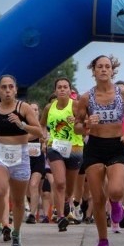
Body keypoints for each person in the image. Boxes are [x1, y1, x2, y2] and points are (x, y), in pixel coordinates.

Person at [74, 55, 124, 246]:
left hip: (117, 146)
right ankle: (103, 240)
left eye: (107, 66)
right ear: (93, 71)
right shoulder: (86, 98)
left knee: (116, 190)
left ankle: (116, 203)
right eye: (99, 67)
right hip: (94, 148)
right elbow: (77, 127)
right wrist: (86, 125)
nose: (103, 69)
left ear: (113, 71)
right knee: (97, 197)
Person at [0, 75, 43, 246]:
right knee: (0, 190)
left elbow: (38, 131)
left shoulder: (23, 108)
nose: (7, 90)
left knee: (17, 200)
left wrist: (22, 124)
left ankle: (16, 234)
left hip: (21, 154)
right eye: (3, 87)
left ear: (15, 89)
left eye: (10, 87)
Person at [41, 78, 85, 232]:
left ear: (70, 90)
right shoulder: (49, 107)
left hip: (74, 148)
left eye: (65, 87)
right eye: (59, 87)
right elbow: (42, 125)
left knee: (69, 187)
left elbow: (86, 124)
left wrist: (78, 121)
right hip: (55, 146)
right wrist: (43, 137)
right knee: (59, 183)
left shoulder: (76, 105)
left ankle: (67, 201)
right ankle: (60, 217)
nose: (62, 90)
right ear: (55, 91)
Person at [25, 102, 47, 224]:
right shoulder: (24, 124)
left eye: (36, 109)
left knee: (34, 185)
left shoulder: (42, 125)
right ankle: (31, 206)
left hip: (38, 158)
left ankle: (32, 215)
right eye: (31, 109)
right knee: (27, 188)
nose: (34, 111)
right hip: (24, 158)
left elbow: (42, 136)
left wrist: (44, 143)